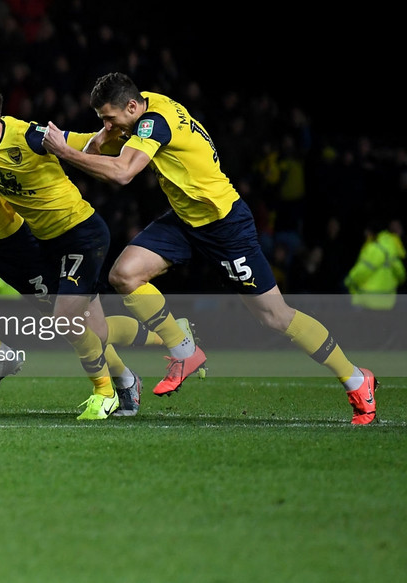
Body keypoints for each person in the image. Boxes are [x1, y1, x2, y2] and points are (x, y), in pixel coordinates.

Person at [42, 72, 379, 425]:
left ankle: (357, 379)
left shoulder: (154, 124)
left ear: (130, 106)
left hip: (224, 225)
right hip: (186, 219)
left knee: (274, 316)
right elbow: (97, 151)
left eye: (110, 118)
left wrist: (64, 151)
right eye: (103, 120)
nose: (109, 126)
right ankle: (184, 350)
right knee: (124, 275)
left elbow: (122, 173)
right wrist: (102, 133)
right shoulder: (144, 104)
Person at [0, 83, 142, 420]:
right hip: (47, 242)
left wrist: (107, 134)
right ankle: (128, 379)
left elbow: (79, 142)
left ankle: (104, 392)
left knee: (64, 319)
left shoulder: (28, 137)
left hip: (82, 233)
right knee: (96, 330)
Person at [344, 220, 405, 310]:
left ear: (370, 232)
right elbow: (400, 273)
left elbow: (362, 271)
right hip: (388, 302)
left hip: (370, 302)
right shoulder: (391, 245)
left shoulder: (374, 248)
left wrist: (348, 281)